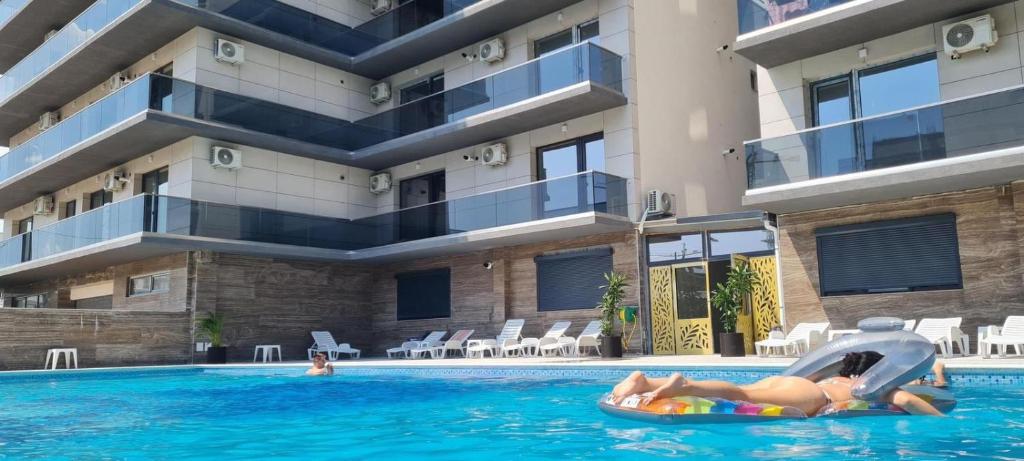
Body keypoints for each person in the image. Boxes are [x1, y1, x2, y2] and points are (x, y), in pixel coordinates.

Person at [611, 351, 942, 416]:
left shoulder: (837, 376)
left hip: (791, 383)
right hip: (812, 395)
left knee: (746, 390)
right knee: (742, 393)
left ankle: (645, 381)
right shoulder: (867, 386)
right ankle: (686, 385)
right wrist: (941, 420)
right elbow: (909, 401)